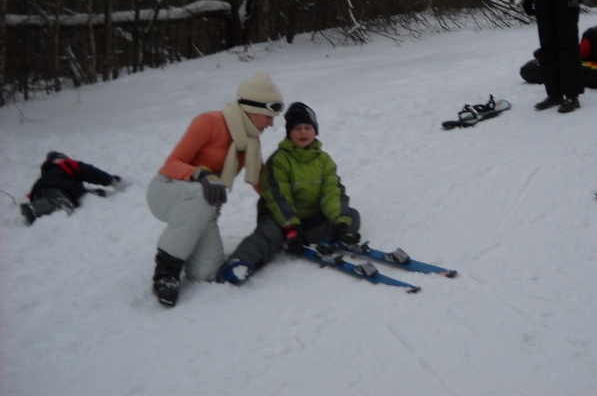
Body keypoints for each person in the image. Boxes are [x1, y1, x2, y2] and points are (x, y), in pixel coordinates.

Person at [146, 72, 283, 307]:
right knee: (200, 192)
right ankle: (166, 274)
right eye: (269, 117)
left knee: (206, 271)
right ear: (254, 110)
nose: (271, 124)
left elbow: (262, 182)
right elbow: (171, 164)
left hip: (203, 206)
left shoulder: (251, 142)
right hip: (168, 191)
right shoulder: (208, 122)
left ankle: (184, 242)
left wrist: (290, 208)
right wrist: (201, 174)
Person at [217, 102, 360, 285]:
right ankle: (242, 262)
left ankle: (302, 237)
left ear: (315, 131)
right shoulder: (280, 160)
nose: (303, 133)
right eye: (297, 128)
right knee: (268, 234)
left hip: (310, 216)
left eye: (307, 128)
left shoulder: (324, 160)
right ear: (289, 132)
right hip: (280, 215)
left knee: (351, 216)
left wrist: (340, 222)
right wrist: (291, 227)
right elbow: (279, 196)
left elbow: (332, 191)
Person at [19, 151, 124, 225]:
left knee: (56, 202)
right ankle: (35, 209)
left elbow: (74, 188)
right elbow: (90, 172)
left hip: (38, 191)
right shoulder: (65, 163)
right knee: (63, 205)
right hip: (58, 189)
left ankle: (36, 211)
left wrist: (93, 192)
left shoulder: (49, 173)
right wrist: (110, 180)